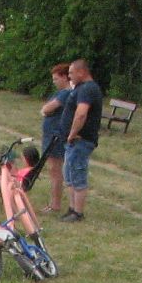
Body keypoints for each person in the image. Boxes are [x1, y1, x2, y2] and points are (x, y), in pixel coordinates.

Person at [60, 58, 103, 223]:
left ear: (81, 72)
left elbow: (81, 114)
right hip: (73, 142)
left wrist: (72, 133)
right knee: (69, 174)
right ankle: (72, 209)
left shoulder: (88, 89)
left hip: (81, 140)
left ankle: (78, 213)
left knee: (77, 174)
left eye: (71, 73)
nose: (69, 76)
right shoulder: (80, 88)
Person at [38, 63, 74, 213]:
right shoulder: (60, 93)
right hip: (51, 135)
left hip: (56, 136)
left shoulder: (65, 93)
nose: (54, 82)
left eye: (56, 79)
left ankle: (55, 204)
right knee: (53, 170)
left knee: (55, 170)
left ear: (65, 77)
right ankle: (54, 203)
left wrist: (45, 111)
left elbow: (47, 108)